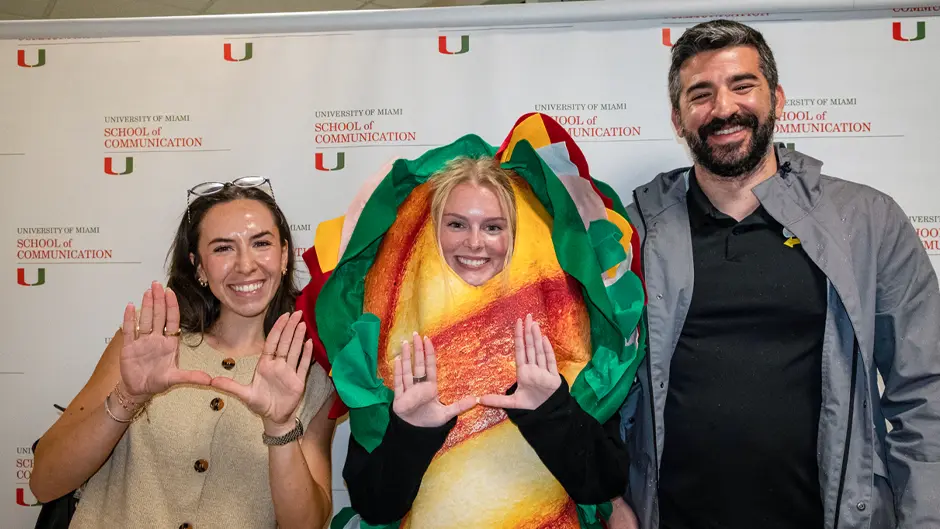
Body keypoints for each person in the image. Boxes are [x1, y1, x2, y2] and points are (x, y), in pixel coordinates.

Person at [618, 18, 940, 529]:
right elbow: (601, 391)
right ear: (678, 120)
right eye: (700, 94)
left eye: (742, 85)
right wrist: (610, 497)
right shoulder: (633, 233)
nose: (723, 108)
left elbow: (925, 389)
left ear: (777, 98)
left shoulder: (866, 220)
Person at [298, 115, 646, 529]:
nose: (474, 242)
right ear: (433, 229)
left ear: (514, 233)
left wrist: (551, 411)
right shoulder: (392, 337)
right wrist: (412, 430)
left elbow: (602, 484)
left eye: (493, 227)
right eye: (457, 224)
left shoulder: (562, 326)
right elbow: (375, 506)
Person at [29, 177, 336, 529]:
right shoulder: (146, 343)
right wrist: (127, 398)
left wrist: (280, 426)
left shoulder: (308, 371)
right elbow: (44, 481)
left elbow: (306, 524)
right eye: (223, 248)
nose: (246, 264)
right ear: (199, 266)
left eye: (261, 243)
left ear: (284, 255)